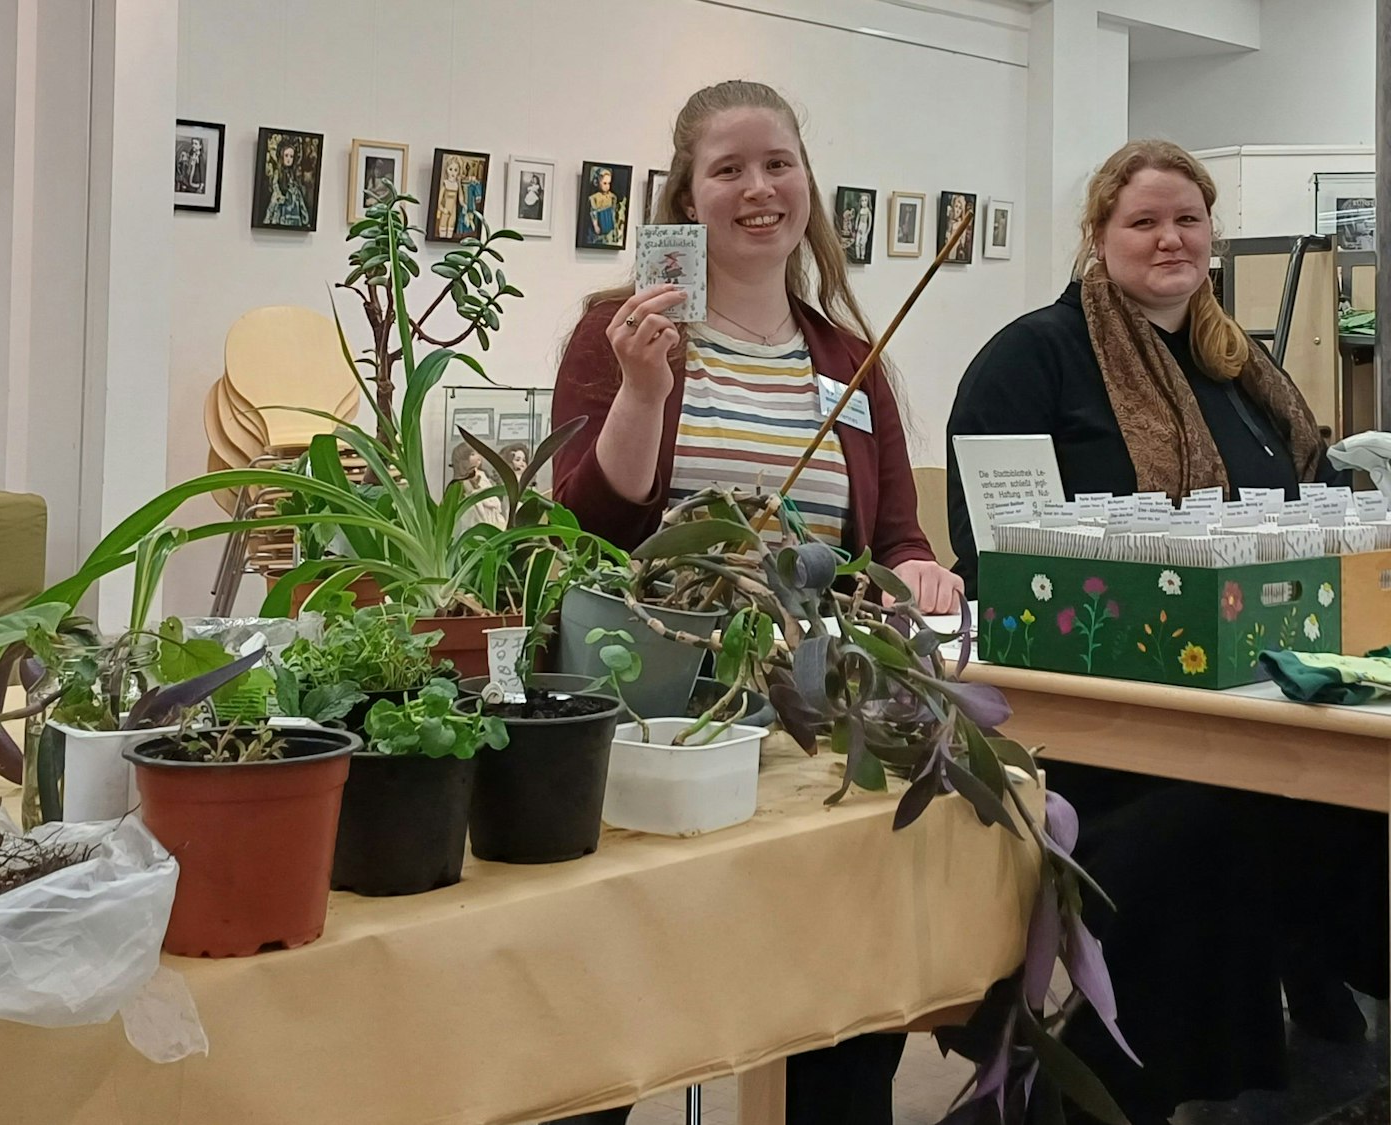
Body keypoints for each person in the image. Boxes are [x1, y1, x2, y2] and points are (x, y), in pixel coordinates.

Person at [544, 78, 964, 1125]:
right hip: (658, 713)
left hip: (813, 719)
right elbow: (581, 534)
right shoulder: (618, 331)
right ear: (686, 198)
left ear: (806, 187)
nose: (756, 188)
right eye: (725, 169)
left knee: (837, 1001)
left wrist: (919, 572)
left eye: (776, 163)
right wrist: (642, 392)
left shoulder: (848, 363)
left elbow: (893, 538)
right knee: (609, 1005)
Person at [946, 139, 1387, 1123]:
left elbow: (1305, 520)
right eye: (1141, 220)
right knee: (1209, 834)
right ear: (1097, 237)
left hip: (1263, 701)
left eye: (1186, 218)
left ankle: (1331, 1044)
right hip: (1096, 726)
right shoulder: (1031, 359)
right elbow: (987, 557)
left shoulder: (1238, 367)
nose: (1167, 239)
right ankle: (1114, 1094)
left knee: (1358, 814)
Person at [586, 167, 620, 245]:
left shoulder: (612, 197)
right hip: (600, 222)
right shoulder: (594, 198)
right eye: (604, 183)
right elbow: (593, 213)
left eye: (609, 183)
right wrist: (595, 225)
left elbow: (613, 211)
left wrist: (615, 224)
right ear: (597, 182)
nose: (607, 186)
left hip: (609, 223)